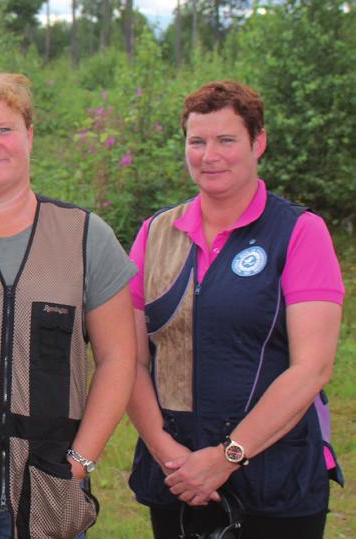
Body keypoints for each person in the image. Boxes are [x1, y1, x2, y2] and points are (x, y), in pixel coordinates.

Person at [126, 80, 345, 538]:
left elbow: (312, 368)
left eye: (226, 140)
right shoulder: (154, 234)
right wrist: (170, 454)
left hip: (275, 479)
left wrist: (227, 456)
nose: (210, 156)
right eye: (197, 141)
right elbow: (129, 360)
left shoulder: (300, 232)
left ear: (257, 142)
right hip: (177, 478)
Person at [0, 70, 137, 539]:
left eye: (4, 129)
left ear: (29, 135)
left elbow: (118, 357)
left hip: (51, 486)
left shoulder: (85, 236)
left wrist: (81, 460)